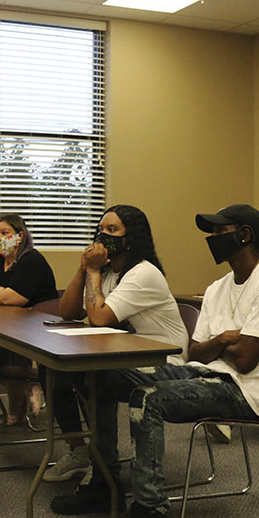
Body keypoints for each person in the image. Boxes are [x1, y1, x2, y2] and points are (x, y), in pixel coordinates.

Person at [90, 204, 259, 518]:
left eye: (219, 233)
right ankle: (103, 482)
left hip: (243, 391)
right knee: (101, 375)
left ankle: (151, 516)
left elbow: (248, 361)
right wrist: (226, 340)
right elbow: (197, 352)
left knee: (149, 398)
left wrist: (224, 345)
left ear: (245, 235)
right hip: (203, 373)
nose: (212, 240)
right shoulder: (217, 287)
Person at [43, 205, 188, 490]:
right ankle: (81, 450)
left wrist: (94, 269)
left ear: (130, 238)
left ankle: (103, 473)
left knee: (94, 375)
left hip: (166, 364)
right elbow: (68, 312)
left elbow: (98, 318)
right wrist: (83, 268)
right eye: (101, 229)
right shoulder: (108, 272)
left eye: (112, 230)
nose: (103, 235)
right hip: (127, 357)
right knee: (52, 368)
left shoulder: (143, 274)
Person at [0, 214, 57, 425]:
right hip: (6, 323)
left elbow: (14, 298)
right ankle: (28, 385)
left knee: (5, 349)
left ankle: (18, 400)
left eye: (4, 233)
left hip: (37, 326)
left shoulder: (31, 259)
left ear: (20, 235)